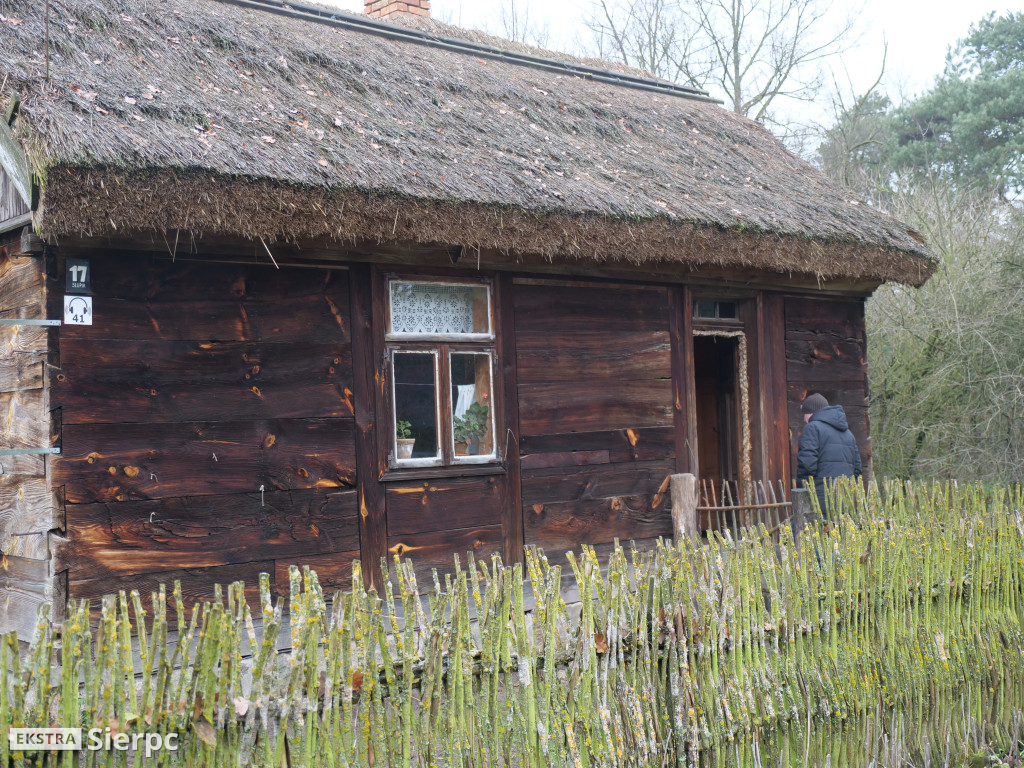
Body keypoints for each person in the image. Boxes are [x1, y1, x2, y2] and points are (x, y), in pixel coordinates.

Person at [796, 393, 862, 517]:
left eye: (804, 414)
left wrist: (802, 490)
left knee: (798, 533)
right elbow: (857, 470)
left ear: (810, 413)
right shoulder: (849, 434)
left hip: (821, 503)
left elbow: (807, 465)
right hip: (847, 503)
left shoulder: (812, 428)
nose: (804, 420)